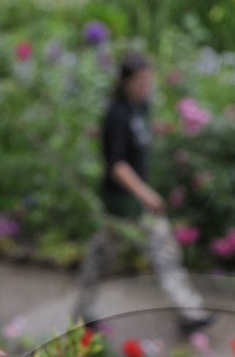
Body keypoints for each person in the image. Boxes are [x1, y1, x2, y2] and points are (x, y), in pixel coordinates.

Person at [74, 52, 214, 334]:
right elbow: (117, 166)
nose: (146, 86)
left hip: (136, 203)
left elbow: (137, 142)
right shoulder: (116, 114)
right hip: (121, 203)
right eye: (140, 81)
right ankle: (84, 313)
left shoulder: (140, 109)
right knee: (107, 256)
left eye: (149, 81)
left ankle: (189, 312)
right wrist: (145, 194)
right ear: (125, 81)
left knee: (157, 253)